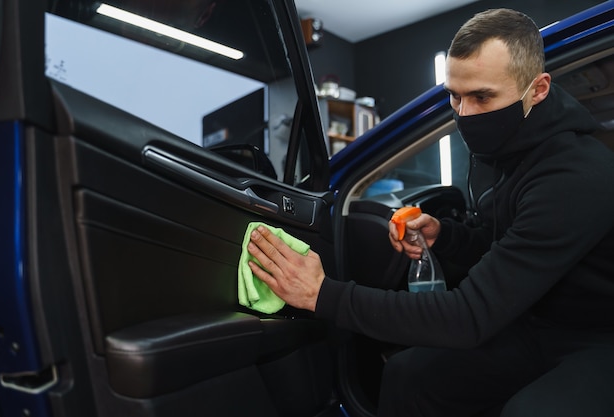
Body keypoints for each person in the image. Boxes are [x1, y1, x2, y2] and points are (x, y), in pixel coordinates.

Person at [247, 8, 614, 417]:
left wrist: (322, 294)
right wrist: (447, 236)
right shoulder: (515, 153)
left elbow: (469, 316)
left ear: (538, 89)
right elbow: (506, 244)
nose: (464, 113)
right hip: (537, 322)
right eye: (455, 96)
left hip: (598, 337)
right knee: (409, 375)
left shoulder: (574, 174)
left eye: (482, 96)